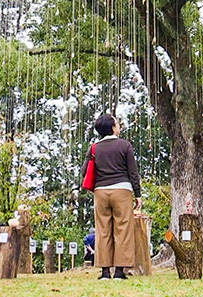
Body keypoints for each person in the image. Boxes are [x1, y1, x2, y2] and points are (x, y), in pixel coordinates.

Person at [83, 113, 141, 280]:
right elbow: (133, 172)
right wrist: (137, 194)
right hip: (122, 190)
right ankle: (119, 272)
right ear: (112, 127)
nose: (119, 126)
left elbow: (84, 171)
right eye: (117, 124)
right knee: (123, 230)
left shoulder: (94, 147)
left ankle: (105, 272)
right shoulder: (125, 145)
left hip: (101, 192)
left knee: (102, 231)